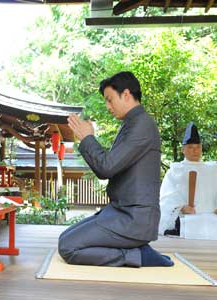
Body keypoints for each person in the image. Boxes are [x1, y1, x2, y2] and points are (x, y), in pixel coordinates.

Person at [61, 71, 173, 267]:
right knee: (65, 237)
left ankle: (138, 256)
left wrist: (87, 138)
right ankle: (137, 250)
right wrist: (87, 139)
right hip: (119, 212)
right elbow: (110, 164)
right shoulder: (132, 123)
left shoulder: (142, 125)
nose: (108, 106)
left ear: (127, 94)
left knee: (68, 247)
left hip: (134, 219)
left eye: (110, 99)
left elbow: (106, 167)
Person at [159, 122, 217, 239]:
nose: (195, 151)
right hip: (186, 219)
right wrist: (181, 207)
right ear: (183, 149)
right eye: (190, 147)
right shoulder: (175, 170)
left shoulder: (212, 169)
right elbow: (167, 196)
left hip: (212, 219)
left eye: (198, 147)